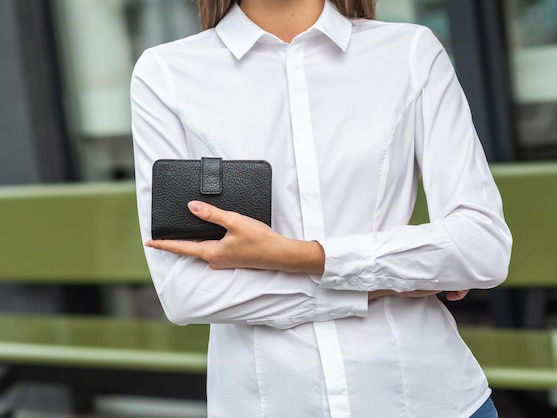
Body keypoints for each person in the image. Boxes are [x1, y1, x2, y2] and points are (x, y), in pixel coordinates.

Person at [130, 0, 512, 416]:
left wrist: (296, 257)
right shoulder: (167, 74)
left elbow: (482, 246)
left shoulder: (409, 53)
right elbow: (187, 293)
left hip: (427, 398)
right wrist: (391, 280)